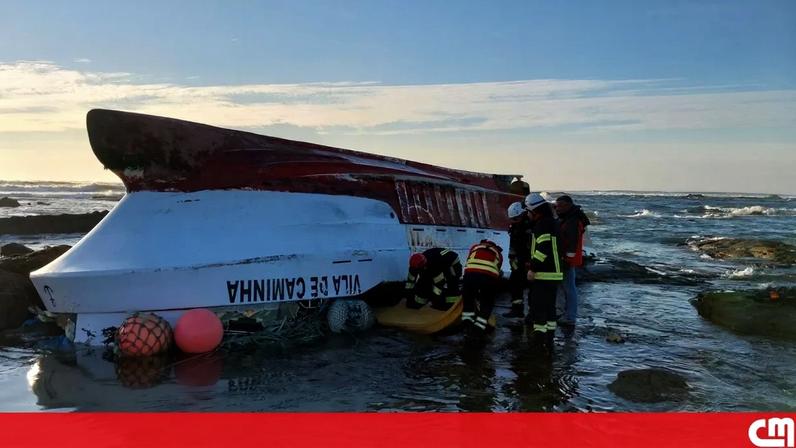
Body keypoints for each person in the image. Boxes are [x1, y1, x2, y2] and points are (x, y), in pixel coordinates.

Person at [524, 192, 563, 350]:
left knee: (539, 308)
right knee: (550, 308)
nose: (527, 215)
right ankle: (550, 338)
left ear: (535, 211)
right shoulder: (552, 223)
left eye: (528, 211)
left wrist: (533, 268)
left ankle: (539, 340)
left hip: (544, 273)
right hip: (554, 273)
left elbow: (542, 249)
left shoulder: (542, 225)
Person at [553, 195, 590, 326]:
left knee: (569, 287)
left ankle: (570, 317)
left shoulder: (572, 221)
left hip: (567, 260)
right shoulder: (569, 218)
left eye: (561, 206)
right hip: (566, 258)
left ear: (569, 205)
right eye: (557, 206)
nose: (558, 209)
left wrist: (567, 259)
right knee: (566, 287)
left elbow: (572, 243)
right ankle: (566, 313)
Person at [461, 239, 503, 335]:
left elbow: (469, 261)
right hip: (489, 278)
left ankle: (467, 325)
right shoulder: (498, 253)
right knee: (487, 302)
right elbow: (498, 269)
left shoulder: (475, 247)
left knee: (468, 301)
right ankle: (478, 329)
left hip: (470, 275)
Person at [503, 202, 531, 318]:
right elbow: (513, 243)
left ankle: (530, 312)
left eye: (515, 218)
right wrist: (511, 257)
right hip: (517, 259)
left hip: (526, 259)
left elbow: (530, 244)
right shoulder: (515, 226)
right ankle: (517, 309)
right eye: (512, 219)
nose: (514, 221)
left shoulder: (529, 226)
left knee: (529, 286)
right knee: (514, 283)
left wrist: (529, 260)